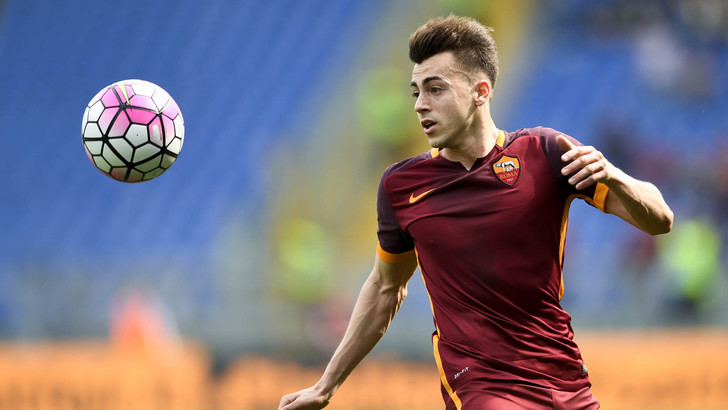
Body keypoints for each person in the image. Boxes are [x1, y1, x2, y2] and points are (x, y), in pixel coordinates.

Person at [278, 15, 673, 410]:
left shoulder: (545, 153)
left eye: (435, 89)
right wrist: (326, 385)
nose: (420, 105)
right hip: (482, 388)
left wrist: (614, 175)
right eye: (416, 91)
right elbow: (385, 288)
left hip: (564, 381)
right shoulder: (401, 186)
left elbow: (660, 221)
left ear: (480, 91)